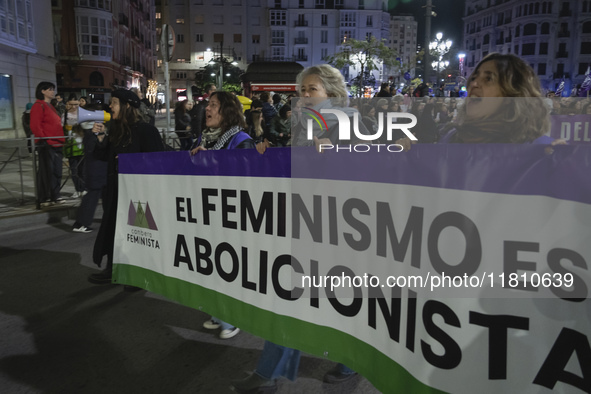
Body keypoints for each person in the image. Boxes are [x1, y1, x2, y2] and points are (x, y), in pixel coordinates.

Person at [232, 64, 360, 394]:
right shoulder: (303, 124)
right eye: (302, 90)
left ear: (330, 92)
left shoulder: (348, 124)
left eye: (311, 89)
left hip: (338, 230)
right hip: (303, 223)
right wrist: (269, 156)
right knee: (290, 299)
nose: (304, 95)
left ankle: (352, 361)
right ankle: (269, 374)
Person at [190, 91, 255, 339]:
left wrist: (212, 162)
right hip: (210, 213)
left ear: (226, 111)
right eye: (207, 104)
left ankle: (233, 318)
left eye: (214, 105)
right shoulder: (203, 138)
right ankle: (219, 313)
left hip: (232, 216)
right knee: (213, 267)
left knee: (229, 269)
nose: (207, 109)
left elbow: (249, 179)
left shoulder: (242, 140)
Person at [397, 53, 560, 150]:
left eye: (488, 79)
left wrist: (568, 170)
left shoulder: (541, 150)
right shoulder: (451, 137)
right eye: (474, 78)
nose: (474, 84)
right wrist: (408, 157)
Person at [89, 89, 164, 285]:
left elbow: (157, 162)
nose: (110, 106)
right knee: (116, 230)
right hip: (116, 192)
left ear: (127, 106)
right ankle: (112, 268)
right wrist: (100, 139)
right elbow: (102, 156)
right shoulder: (115, 129)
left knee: (139, 235)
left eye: (114, 102)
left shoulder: (146, 130)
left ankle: (139, 276)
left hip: (139, 195)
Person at [71, 104, 108, 233]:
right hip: (96, 172)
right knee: (91, 198)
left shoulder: (90, 134)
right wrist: (97, 135)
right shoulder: (89, 135)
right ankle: (81, 223)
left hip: (96, 171)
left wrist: (101, 134)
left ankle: (80, 222)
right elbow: (95, 150)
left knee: (94, 197)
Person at [30, 81, 66, 207]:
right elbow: (35, 125)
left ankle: (55, 195)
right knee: (47, 172)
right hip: (47, 144)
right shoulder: (38, 105)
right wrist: (45, 139)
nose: (53, 91)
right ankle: (45, 197)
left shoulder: (50, 106)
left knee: (56, 171)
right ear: (43, 91)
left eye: (53, 89)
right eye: (50, 89)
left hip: (57, 142)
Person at [62, 95, 86, 198]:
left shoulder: (84, 114)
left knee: (83, 170)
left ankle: (84, 189)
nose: (74, 107)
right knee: (74, 170)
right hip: (71, 146)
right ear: (67, 104)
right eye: (71, 104)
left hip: (82, 147)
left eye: (76, 104)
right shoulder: (64, 115)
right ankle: (78, 189)